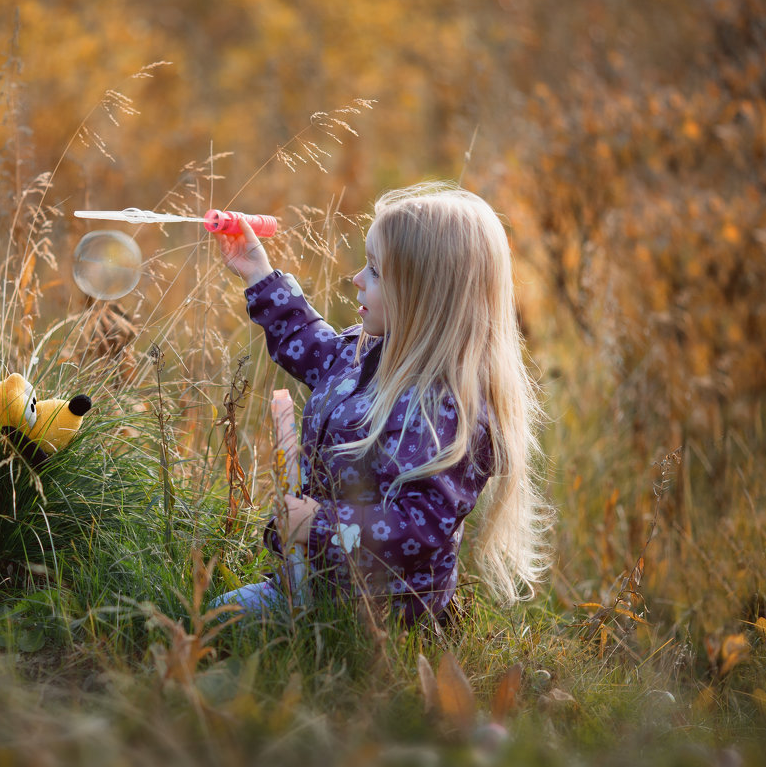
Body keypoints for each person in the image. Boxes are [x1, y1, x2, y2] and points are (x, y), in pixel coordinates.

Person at [213, 182, 551, 625]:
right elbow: (312, 348)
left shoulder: (446, 410)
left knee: (220, 626)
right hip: (317, 588)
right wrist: (258, 272)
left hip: (379, 617)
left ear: (422, 294)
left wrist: (315, 525)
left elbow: (419, 527)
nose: (356, 279)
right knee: (216, 618)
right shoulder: (372, 351)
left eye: (374, 271)